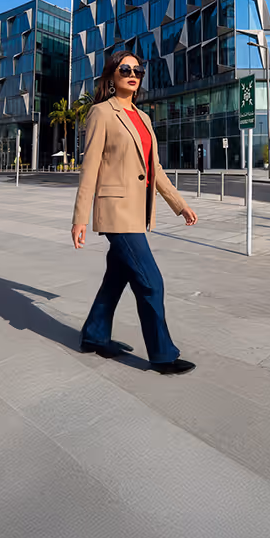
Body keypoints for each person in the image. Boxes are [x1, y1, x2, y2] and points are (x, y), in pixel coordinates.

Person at [71, 50, 198, 374]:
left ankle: (95, 335)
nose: (132, 74)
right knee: (151, 282)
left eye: (137, 70)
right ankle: (163, 355)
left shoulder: (143, 118)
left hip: (138, 211)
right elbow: (90, 167)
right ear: (112, 77)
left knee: (116, 279)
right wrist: (80, 218)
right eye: (124, 69)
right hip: (116, 211)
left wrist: (179, 204)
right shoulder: (101, 113)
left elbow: (154, 168)